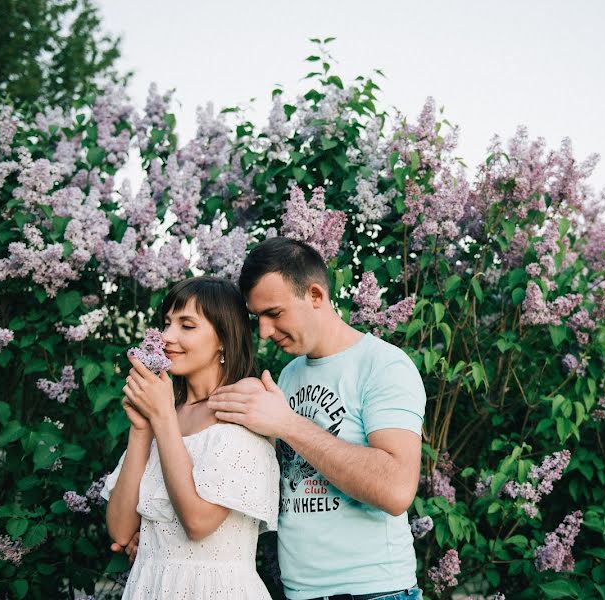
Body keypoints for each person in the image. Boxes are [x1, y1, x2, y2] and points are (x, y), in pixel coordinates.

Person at [207, 237, 426, 600]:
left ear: (315, 296)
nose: (263, 332)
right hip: (300, 593)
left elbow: (396, 489)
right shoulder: (289, 375)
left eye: (274, 314)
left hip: (374, 593)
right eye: (257, 318)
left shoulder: (384, 366)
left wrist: (288, 424)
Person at [102, 276, 279, 599]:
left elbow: (198, 523)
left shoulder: (244, 406)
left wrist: (162, 417)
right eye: (166, 323)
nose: (167, 337)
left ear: (224, 338)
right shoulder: (165, 410)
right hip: (150, 586)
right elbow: (119, 530)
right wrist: (142, 429)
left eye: (187, 325)